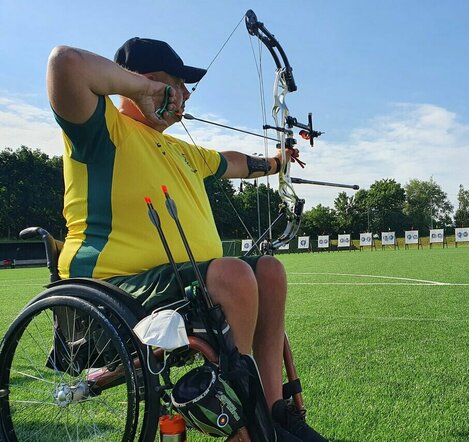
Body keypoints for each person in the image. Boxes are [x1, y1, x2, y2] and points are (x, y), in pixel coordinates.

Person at [47, 37, 326, 442]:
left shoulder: (182, 150)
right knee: (233, 275)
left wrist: (277, 161)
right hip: (116, 289)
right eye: (177, 84)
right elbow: (65, 64)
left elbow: (232, 163)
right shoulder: (100, 128)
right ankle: (248, 423)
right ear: (143, 81)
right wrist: (143, 91)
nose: (186, 95)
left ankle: (272, 411)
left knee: (269, 270)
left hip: (180, 284)